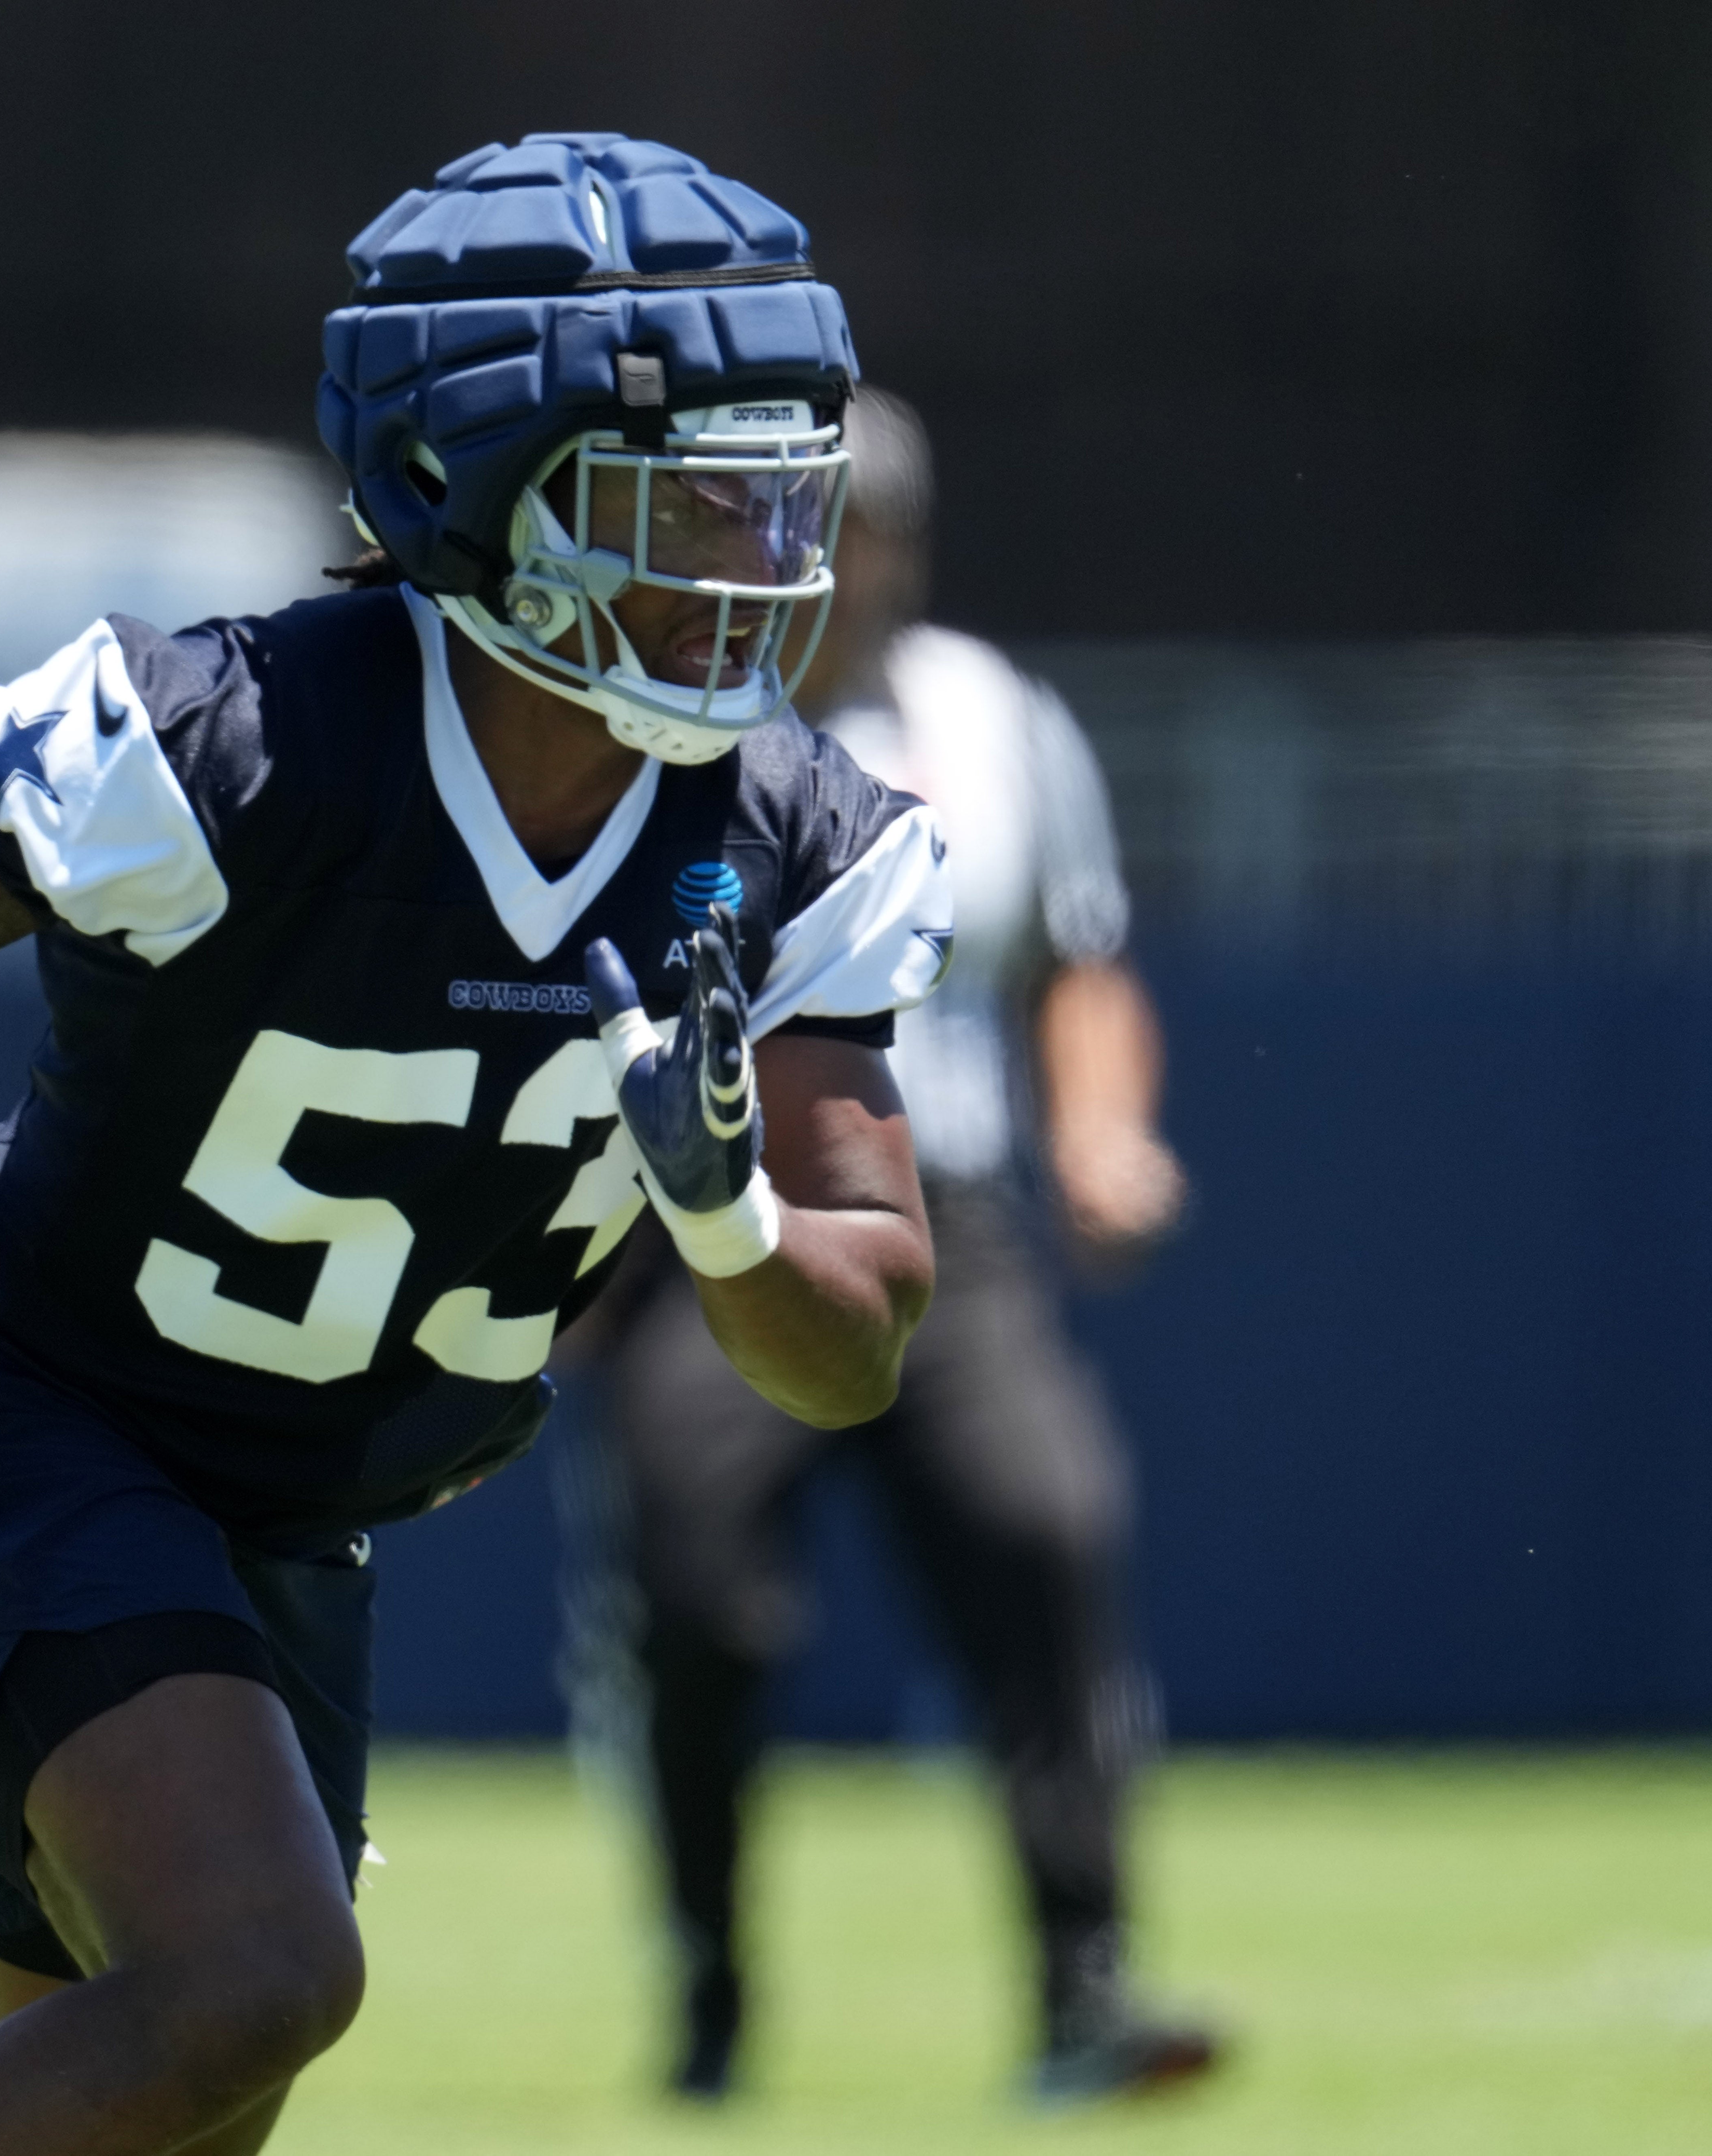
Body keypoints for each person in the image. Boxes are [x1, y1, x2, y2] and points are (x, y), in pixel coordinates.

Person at [0, 135, 954, 2156]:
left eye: (780, 488)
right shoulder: (229, 739)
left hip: (285, 1501)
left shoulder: (800, 837)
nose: (751, 553)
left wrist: (727, 1204)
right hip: (20, 1405)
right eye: (679, 493)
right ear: (468, 484)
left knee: (194, 2087)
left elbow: (852, 1343)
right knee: (262, 1971)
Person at [567, 387, 1221, 2108]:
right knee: (699, 1599)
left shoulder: (993, 715)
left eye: (858, 529)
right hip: (711, 1228)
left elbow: (1078, 953)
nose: (830, 565)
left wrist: (1100, 1127)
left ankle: (1085, 1980)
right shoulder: (662, 710)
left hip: (950, 1224)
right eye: (795, 525)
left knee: (1050, 1527)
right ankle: (709, 1985)